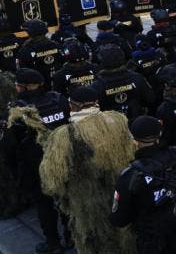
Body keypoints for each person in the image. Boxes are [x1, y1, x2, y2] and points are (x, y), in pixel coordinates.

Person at [38, 86, 136, 254]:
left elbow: (51, 180)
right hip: (120, 190)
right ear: (97, 103)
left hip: (86, 202)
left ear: (72, 106)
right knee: (125, 233)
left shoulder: (64, 135)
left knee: (93, 241)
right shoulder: (118, 120)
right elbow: (132, 150)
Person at [109, 115, 176, 254]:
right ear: (159, 135)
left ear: (134, 142)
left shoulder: (130, 176)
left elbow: (119, 220)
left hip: (155, 244)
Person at [6, 68, 71, 254]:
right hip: (62, 159)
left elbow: (10, 145)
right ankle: (71, 236)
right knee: (65, 199)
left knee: (44, 205)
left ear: (24, 87)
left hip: (36, 165)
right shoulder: (59, 100)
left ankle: (53, 243)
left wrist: (15, 171)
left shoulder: (18, 111)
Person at [93, 44, 155, 122]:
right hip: (137, 123)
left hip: (111, 126)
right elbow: (151, 99)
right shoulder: (137, 78)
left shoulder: (97, 85)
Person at [16, 19, 63, 88]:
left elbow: (22, 72)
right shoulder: (57, 45)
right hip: (58, 85)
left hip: (38, 88)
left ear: (30, 33)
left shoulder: (25, 50)